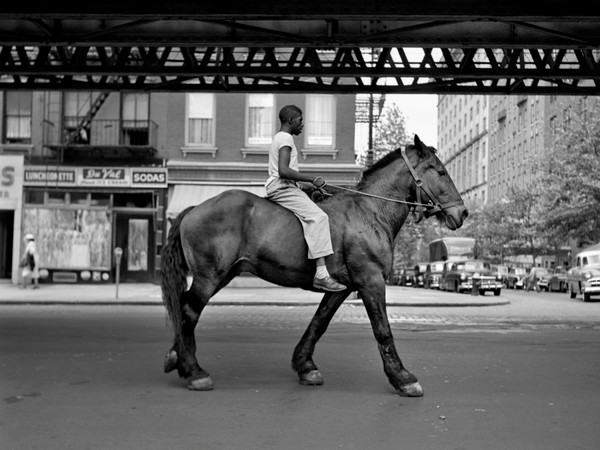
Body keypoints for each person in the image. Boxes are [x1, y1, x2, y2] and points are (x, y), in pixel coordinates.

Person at [265, 104, 347, 292]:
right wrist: (312, 178)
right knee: (319, 218)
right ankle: (321, 274)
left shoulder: (279, 138)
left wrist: (310, 187)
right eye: (301, 120)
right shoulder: (285, 138)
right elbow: (284, 171)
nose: (303, 125)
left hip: (283, 186)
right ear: (290, 120)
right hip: (282, 187)